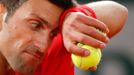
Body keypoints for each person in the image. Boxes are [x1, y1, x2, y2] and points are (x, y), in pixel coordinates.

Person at [0, 0, 128, 75]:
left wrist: (73, 17)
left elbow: (119, 12)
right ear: (1, 13)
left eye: (54, 33)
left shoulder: (50, 56)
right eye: (35, 25)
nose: (43, 46)